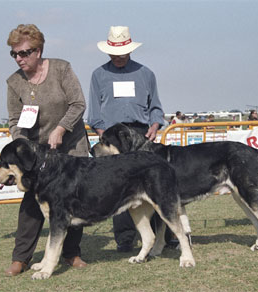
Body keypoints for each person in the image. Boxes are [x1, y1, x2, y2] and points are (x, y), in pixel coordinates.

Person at [5, 24, 89, 276]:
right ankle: (21, 257)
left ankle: (71, 254)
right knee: (31, 205)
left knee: (71, 201)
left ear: (38, 51)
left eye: (24, 53)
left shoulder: (62, 69)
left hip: (70, 148)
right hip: (36, 157)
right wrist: (21, 146)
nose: (19, 58)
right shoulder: (13, 82)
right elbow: (14, 119)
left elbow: (78, 103)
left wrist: (61, 128)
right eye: (14, 54)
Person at [87, 26, 165, 252]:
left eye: (122, 53)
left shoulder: (146, 73)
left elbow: (156, 107)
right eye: (114, 54)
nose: (118, 58)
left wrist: (155, 124)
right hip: (112, 137)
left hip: (141, 134)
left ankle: (162, 235)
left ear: (130, 50)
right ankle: (125, 238)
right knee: (119, 187)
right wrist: (103, 135)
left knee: (155, 186)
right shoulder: (98, 75)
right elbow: (94, 111)